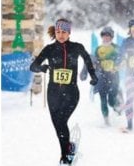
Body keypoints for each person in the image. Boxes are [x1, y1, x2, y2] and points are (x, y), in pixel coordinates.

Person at [30, 19, 98, 165]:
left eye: (64, 32)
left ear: (69, 33)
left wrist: (93, 76)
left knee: (61, 122)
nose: (61, 35)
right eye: (58, 32)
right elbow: (33, 66)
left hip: (71, 93)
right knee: (58, 125)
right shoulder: (49, 49)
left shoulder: (77, 47)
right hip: (53, 94)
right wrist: (42, 68)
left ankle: (65, 157)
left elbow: (88, 60)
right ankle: (68, 147)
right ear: (55, 32)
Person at [93, 26, 122, 125]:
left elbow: (121, 60)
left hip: (113, 77)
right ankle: (106, 119)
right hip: (102, 77)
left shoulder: (116, 48)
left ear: (112, 37)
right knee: (103, 98)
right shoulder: (98, 49)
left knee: (111, 100)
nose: (106, 38)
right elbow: (95, 61)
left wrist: (115, 68)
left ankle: (117, 103)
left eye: (108, 36)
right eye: (104, 36)